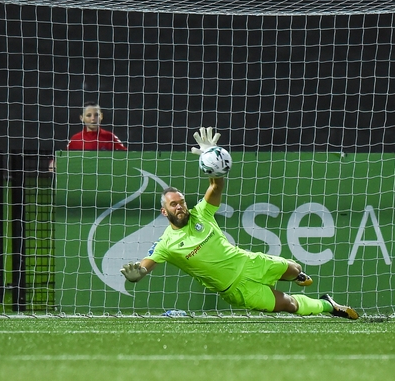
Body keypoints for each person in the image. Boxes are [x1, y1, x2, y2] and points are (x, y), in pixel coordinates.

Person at [121, 127, 359, 320]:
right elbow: (143, 268)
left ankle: (295, 276)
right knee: (289, 305)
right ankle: (328, 306)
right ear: (164, 211)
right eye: (174, 204)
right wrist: (135, 276)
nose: (180, 206)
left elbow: (216, 187)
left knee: (295, 269)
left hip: (248, 262)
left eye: (181, 202)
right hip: (236, 289)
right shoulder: (166, 244)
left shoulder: (201, 213)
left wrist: (211, 156)